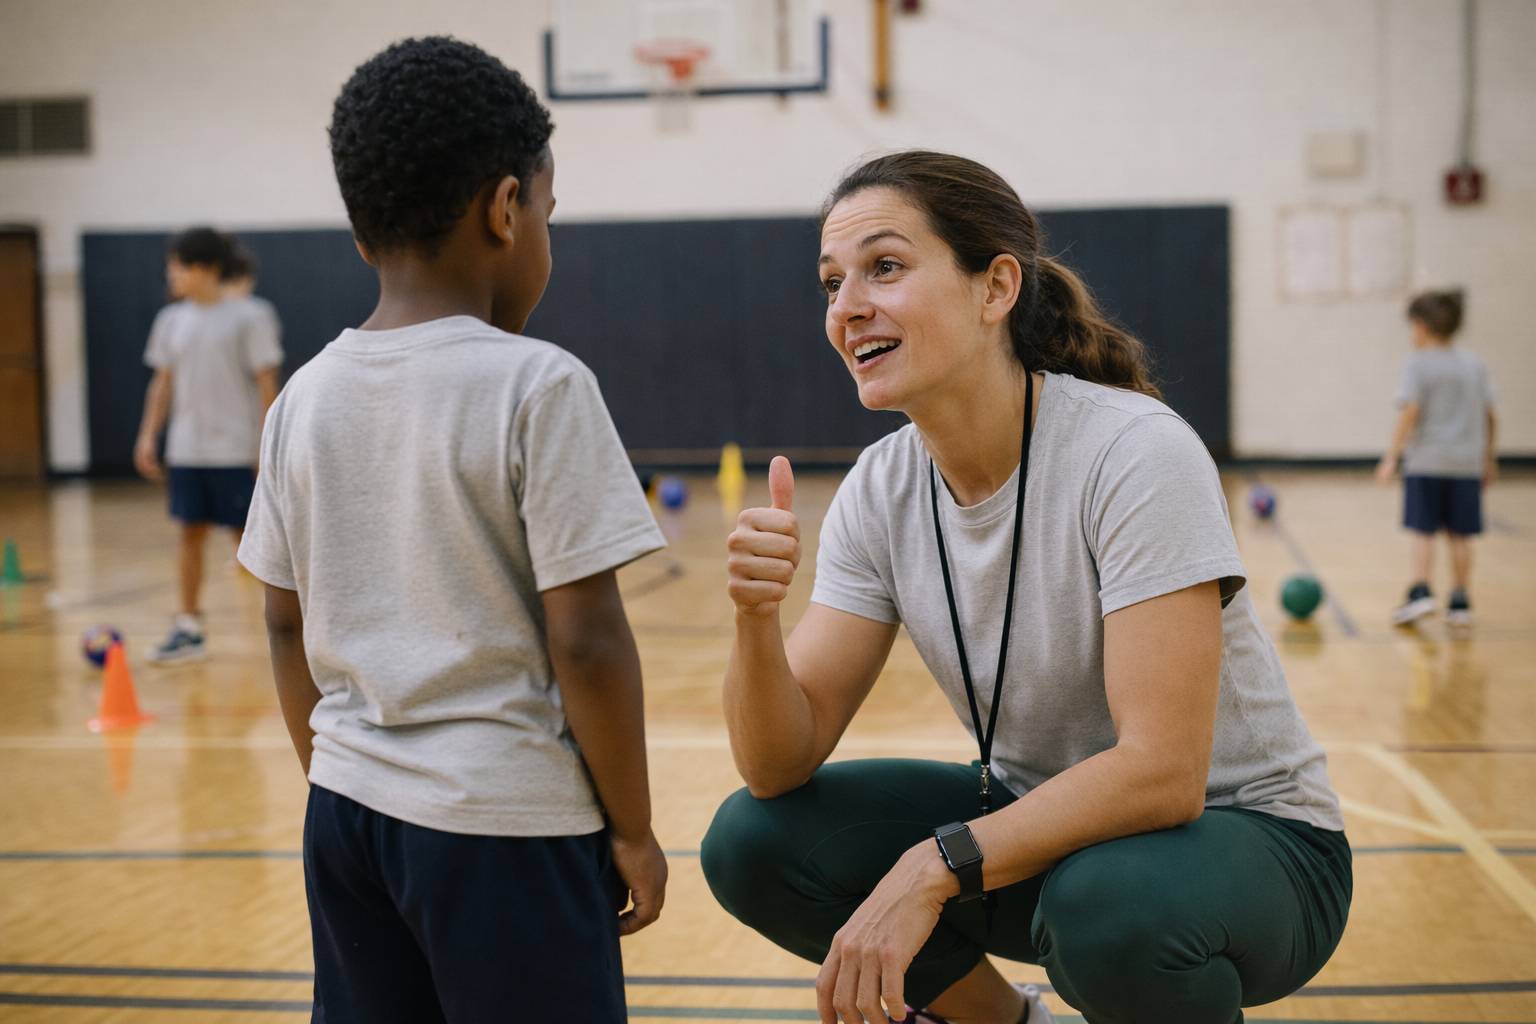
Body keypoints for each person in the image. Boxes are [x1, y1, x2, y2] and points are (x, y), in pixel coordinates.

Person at [702, 151, 1350, 1024]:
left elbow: (1163, 774)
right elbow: (777, 763)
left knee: (1108, 907)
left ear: (995, 287)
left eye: (884, 268)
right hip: (1049, 831)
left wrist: (928, 869)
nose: (847, 307)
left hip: (1255, 846)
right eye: (830, 283)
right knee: (755, 842)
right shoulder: (879, 488)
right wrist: (754, 619)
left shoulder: (1134, 453)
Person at [236, 37, 667, 1022]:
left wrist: (348, 773)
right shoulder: (538, 384)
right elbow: (590, 636)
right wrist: (634, 828)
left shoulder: (302, 398)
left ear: (360, 232)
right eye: (548, 214)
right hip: (504, 823)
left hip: (343, 816)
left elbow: (278, 622)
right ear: (506, 208)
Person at [135, 226, 283, 661]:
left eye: (178, 266)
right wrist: (148, 434)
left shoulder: (250, 316)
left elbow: (266, 384)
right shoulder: (171, 321)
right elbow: (161, 384)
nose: (172, 274)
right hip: (187, 451)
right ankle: (188, 626)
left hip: (235, 450)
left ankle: (290, 626)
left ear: (206, 268)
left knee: (252, 542)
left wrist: (266, 445)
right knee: (189, 535)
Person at [1376, 289, 1496, 628]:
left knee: (1423, 532)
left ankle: (1421, 591)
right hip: (1466, 463)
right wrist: (1488, 458)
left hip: (1427, 461)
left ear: (1423, 326)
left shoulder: (1416, 363)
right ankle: (1460, 600)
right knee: (1461, 535)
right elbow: (1490, 415)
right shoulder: (1474, 364)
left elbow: (1410, 411)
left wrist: (1391, 457)